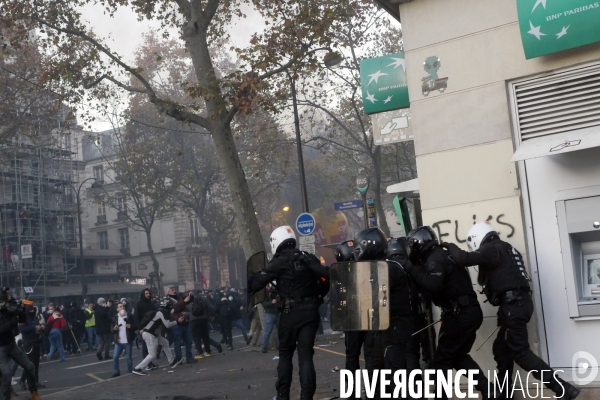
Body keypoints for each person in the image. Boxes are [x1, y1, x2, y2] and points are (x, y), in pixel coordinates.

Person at [443, 221, 580, 400]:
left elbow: (464, 259)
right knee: (501, 348)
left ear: (477, 238)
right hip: (518, 304)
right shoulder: (507, 249)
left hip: (513, 306)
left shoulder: (491, 249)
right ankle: (503, 394)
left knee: (521, 352)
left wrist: (449, 246)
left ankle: (563, 388)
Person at [404, 226, 496, 400]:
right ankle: (490, 390)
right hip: (469, 311)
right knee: (458, 356)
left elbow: (433, 284)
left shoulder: (435, 258)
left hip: (459, 314)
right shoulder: (442, 255)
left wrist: (411, 268)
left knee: (442, 360)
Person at [249, 225, 330, 400]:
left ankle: (283, 395)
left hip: (289, 313)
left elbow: (257, 284)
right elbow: (324, 281)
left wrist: (253, 277)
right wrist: (316, 299)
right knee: (306, 355)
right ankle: (306, 395)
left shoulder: (278, 262)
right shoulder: (307, 257)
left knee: (285, 355)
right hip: (310, 313)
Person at [0, 289, 41, 400]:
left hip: (11, 344)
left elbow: (22, 318)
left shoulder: (7, 309)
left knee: (29, 366)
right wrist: (12, 321)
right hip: (1, 347)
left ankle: (33, 392)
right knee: (7, 373)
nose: (3, 301)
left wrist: (17, 309)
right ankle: (5, 397)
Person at [133, 299, 179, 375]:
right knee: (152, 354)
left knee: (165, 342)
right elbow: (167, 324)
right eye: (172, 307)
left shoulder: (161, 312)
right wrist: (177, 321)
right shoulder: (162, 312)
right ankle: (138, 368)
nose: (172, 308)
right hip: (149, 334)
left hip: (152, 334)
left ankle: (171, 361)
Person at [18, 305, 45, 390]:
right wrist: (34, 327)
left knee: (36, 363)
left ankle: (35, 381)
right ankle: (22, 380)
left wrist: (41, 327)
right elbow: (22, 329)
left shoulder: (35, 318)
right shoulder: (23, 318)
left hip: (36, 341)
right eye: (30, 310)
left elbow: (37, 325)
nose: (32, 311)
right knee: (30, 364)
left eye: (33, 310)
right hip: (28, 343)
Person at [134, 288, 158, 371]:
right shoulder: (139, 304)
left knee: (152, 346)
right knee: (145, 347)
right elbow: (136, 317)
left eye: (149, 293)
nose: (148, 295)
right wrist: (140, 328)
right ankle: (146, 365)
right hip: (144, 328)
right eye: (146, 293)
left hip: (152, 328)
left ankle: (150, 363)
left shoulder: (151, 303)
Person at [170, 291, 196, 365]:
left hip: (185, 322)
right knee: (177, 342)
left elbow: (188, 301)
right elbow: (175, 308)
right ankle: (179, 359)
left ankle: (189, 357)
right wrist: (184, 301)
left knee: (188, 341)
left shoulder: (180, 299)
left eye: (174, 289)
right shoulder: (169, 300)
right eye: (172, 289)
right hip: (177, 323)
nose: (174, 290)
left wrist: (190, 296)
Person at [190, 291, 218, 358]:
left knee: (197, 338)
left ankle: (199, 353)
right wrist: (211, 315)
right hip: (204, 319)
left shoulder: (190, 301)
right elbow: (212, 308)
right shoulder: (204, 299)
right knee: (205, 337)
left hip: (194, 321)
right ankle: (208, 352)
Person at [111, 302, 135, 377]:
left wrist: (130, 326)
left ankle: (129, 371)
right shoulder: (115, 318)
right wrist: (114, 329)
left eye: (123, 306)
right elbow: (111, 329)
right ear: (117, 309)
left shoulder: (129, 316)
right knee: (115, 357)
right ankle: (116, 371)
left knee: (128, 358)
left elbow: (135, 326)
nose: (122, 308)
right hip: (118, 341)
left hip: (127, 340)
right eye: (120, 307)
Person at [260, 286, 279, 354]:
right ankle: (264, 347)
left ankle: (279, 346)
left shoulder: (276, 294)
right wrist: (272, 302)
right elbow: (264, 304)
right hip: (269, 314)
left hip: (276, 313)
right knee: (268, 331)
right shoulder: (265, 295)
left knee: (279, 330)